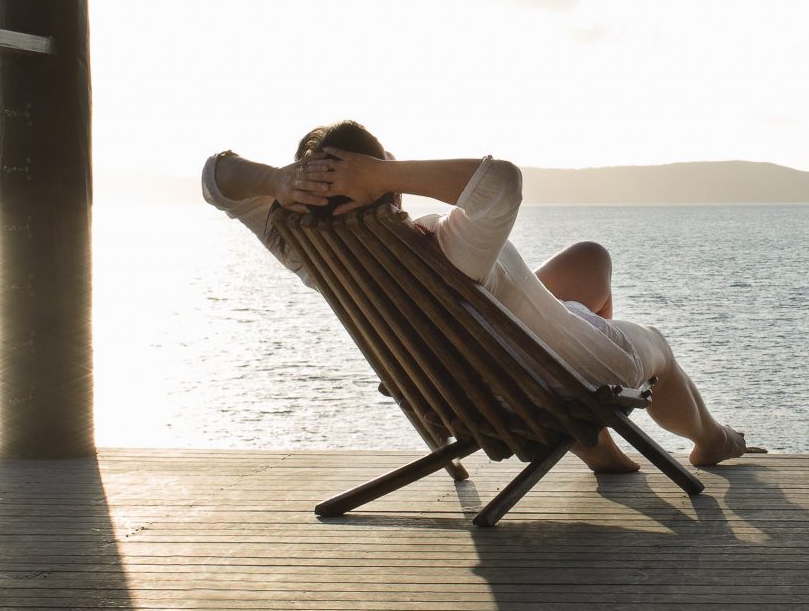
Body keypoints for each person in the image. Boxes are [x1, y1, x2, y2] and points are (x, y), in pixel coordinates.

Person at [203, 121, 749, 472]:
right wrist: (382, 173)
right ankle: (710, 439)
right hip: (551, 379)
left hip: (481, 366)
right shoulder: (448, 247)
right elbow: (501, 181)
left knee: (589, 259)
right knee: (653, 347)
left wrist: (277, 181)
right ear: (381, 184)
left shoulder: (308, 252)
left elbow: (216, 179)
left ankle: (597, 446)